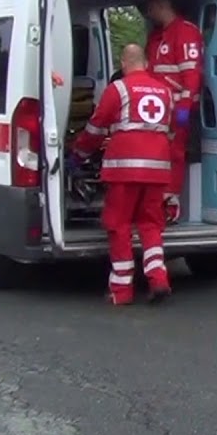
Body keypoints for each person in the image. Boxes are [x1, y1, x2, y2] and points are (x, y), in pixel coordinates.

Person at [68, 43, 175, 305]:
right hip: (157, 170)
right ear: (146, 63)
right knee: (151, 224)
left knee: (119, 225)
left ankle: (121, 290)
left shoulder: (118, 89)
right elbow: (171, 128)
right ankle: (159, 279)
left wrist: (78, 155)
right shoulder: (165, 92)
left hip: (124, 169)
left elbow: (96, 127)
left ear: (123, 64)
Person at [143, 0, 204, 224]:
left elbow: (191, 74)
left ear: (161, 3)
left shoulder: (185, 32)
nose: (148, 13)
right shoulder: (158, 37)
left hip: (177, 107)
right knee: (156, 155)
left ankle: (169, 205)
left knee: (174, 155)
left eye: (150, 7)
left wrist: (184, 108)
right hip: (157, 107)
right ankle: (153, 203)